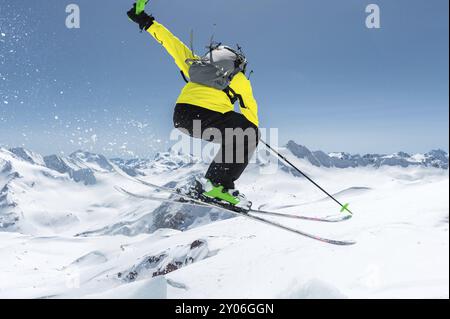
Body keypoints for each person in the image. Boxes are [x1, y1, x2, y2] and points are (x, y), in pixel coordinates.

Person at [127, 3, 259, 210]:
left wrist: (145, 21)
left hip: (181, 118)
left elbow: (170, 43)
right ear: (239, 63)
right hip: (207, 119)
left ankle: (214, 184)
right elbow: (250, 111)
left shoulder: (196, 65)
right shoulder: (239, 78)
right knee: (246, 132)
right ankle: (217, 185)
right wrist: (253, 137)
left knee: (239, 134)